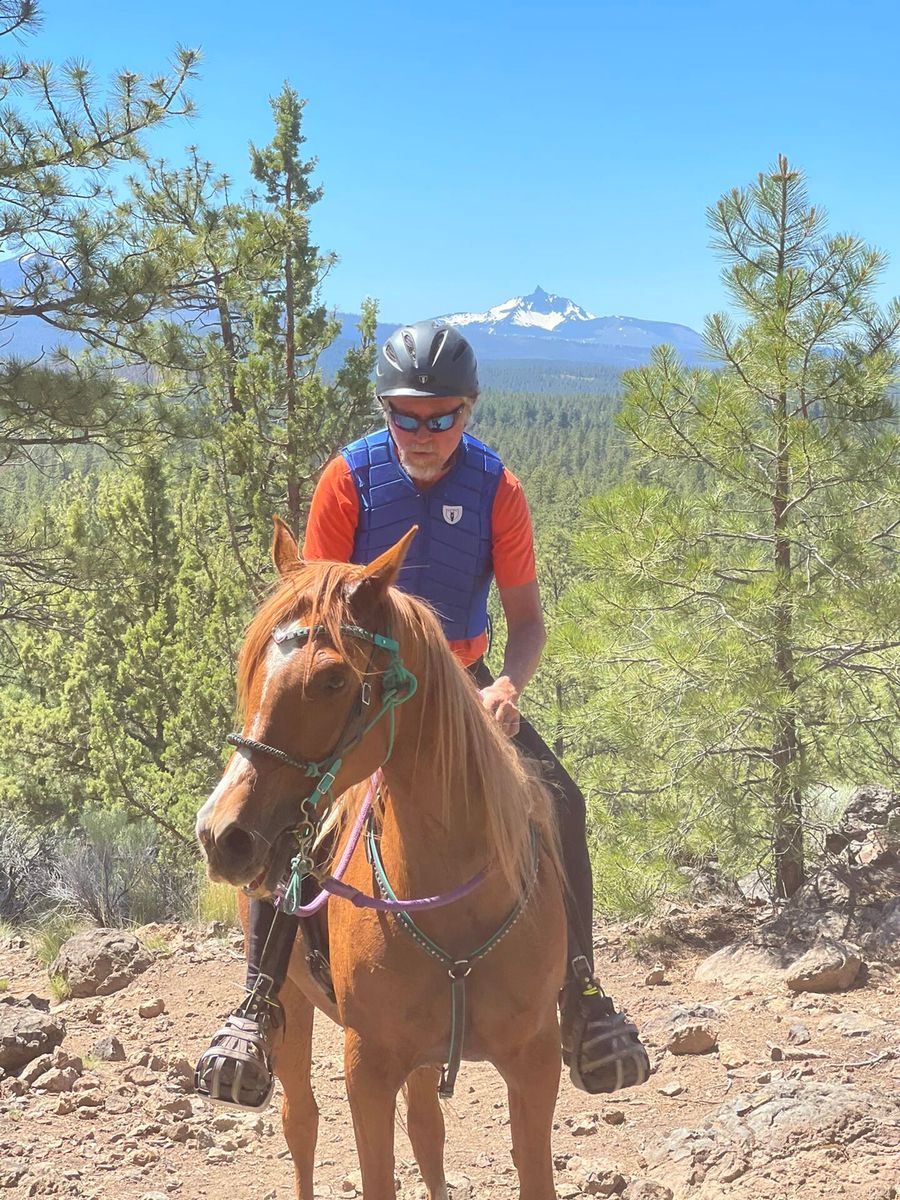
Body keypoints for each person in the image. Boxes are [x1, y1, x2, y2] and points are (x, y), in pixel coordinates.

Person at [195, 321, 650, 1110]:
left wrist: (507, 687)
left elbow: (528, 621)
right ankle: (260, 1000)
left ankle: (582, 993)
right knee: (295, 811)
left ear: (467, 411)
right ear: (386, 409)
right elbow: (315, 606)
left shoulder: (498, 488)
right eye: (405, 415)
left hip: (467, 688)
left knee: (562, 801)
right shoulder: (350, 478)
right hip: (364, 690)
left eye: (441, 417)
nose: (423, 432)